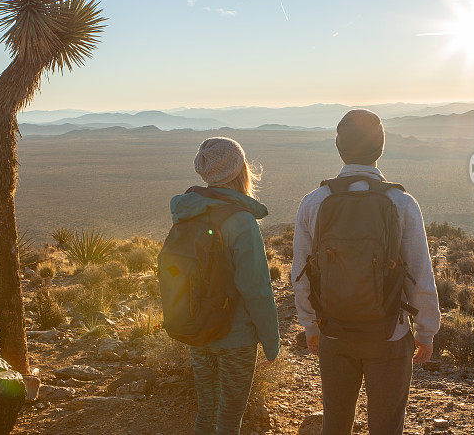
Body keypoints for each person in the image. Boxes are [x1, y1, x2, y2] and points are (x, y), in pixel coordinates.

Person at [291, 109, 440, 435]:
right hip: (390, 334)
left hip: (333, 332)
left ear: (338, 146)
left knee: (335, 424)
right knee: (387, 427)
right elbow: (420, 274)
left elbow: (300, 274)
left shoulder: (314, 202)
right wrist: (426, 332)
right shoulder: (402, 203)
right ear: (381, 147)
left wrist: (310, 326)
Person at [164, 137, 280, 435]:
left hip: (197, 329)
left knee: (206, 411)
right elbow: (257, 289)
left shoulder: (187, 212)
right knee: (229, 417)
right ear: (241, 171)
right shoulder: (241, 220)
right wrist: (271, 341)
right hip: (236, 337)